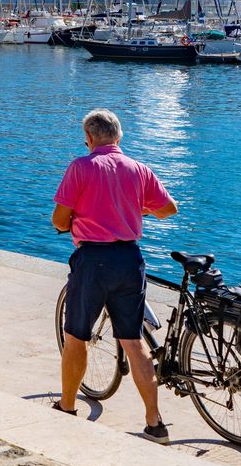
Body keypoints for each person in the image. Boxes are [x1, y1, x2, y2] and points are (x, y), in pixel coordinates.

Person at [51, 109, 178, 443]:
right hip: (130, 260)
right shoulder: (139, 169)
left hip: (94, 260)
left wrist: (74, 221)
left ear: (89, 138)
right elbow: (169, 209)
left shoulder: (81, 167)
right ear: (119, 137)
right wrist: (139, 209)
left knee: (76, 335)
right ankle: (154, 423)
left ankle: (67, 406)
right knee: (134, 342)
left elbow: (59, 221)